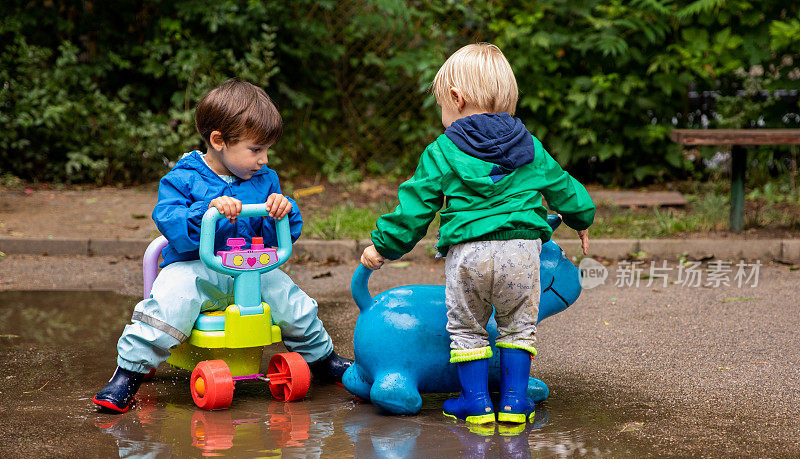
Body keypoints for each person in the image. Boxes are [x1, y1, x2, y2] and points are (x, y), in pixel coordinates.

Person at [360, 43, 595, 425]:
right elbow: (564, 186)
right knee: (519, 326)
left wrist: (383, 246)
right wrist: (581, 217)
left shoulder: (442, 151)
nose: (442, 114)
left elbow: (415, 206)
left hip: (469, 253)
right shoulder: (530, 147)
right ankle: (516, 403)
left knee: (467, 328)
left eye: (441, 105)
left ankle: (476, 403)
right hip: (521, 252)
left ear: (457, 98)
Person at [94, 79, 351, 413]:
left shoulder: (264, 179)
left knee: (292, 299)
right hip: (195, 266)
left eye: (267, 150)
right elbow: (170, 221)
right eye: (256, 149)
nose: (264, 159)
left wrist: (281, 211)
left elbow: (277, 239)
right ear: (218, 141)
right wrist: (209, 209)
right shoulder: (183, 178)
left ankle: (321, 357)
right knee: (172, 301)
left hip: (251, 268)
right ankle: (129, 372)